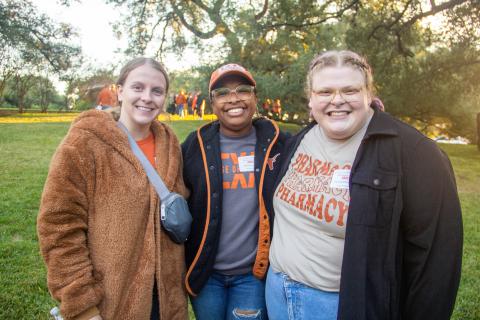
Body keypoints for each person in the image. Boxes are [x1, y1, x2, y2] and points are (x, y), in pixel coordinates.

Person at [266, 50, 463, 320]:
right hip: (277, 292)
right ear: (311, 99)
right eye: (325, 92)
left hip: (343, 307)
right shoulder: (302, 138)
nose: (337, 100)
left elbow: (436, 263)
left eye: (350, 90)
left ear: (368, 94)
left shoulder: (415, 153)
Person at [37, 57, 188, 320]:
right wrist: (83, 306)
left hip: (165, 300)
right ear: (120, 91)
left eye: (157, 91)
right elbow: (59, 227)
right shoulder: (85, 143)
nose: (147, 98)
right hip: (112, 301)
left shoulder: (170, 144)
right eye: (137, 87)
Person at [182, 63, 289, 320]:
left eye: (243, 90)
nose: (233, 99)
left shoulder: (278, 143)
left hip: (252, 275)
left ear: (255, 98)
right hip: (206, 273)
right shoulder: (194, 146)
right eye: (222, 93)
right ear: (212, 102)